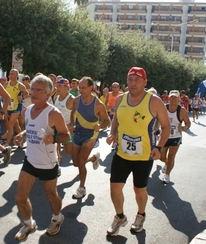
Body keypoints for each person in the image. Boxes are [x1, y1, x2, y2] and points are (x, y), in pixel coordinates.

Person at [105, 66, 170, 235]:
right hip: (122, 154)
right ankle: (120, 216)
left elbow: (166, 126)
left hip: (144, 156)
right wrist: (112, 134)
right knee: (114, 189)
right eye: (130, 79)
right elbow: (116, 121)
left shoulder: (154, 101)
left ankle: (140, 215)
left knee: (139, 189)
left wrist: (159, 147)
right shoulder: (120, 99)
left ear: (145, 82)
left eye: (137, 80)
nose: (133, 83)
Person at [13, 74, 70, 242]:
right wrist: (22, 135)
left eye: (38, 90)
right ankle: (29, 223)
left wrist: (54, 138)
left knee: (51, 195)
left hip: (48, 163)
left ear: (48, 93)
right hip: (30, 160)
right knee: (20, 197)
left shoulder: (53, 114)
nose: (33, 93)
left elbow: (67, 137)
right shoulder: (29, 109)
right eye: (32, 89)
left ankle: (57, 217)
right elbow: (32, 128)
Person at [70, 76, 110, 199]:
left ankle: (81, 188)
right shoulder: (76, 100)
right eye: (79, 88)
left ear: (90, 88)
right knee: (76, 163)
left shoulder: (98, 104)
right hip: (78, 134)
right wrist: (72, 124)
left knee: (81, 162)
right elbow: (73, 113)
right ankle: (93, 158)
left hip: (91, 136)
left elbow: (107, 121)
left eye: (83, 88)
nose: (81, 90)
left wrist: (100, 126)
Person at [160, 90, 191, 184]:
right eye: (171, 97)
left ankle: (167, 175)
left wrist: (186, 127)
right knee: (161, 157)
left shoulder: (181, 110)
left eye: (175, 98)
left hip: (176, 137)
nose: (173, 99)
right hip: (164, 136)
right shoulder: (163, 108)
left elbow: (188, 122)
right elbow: (157, 119)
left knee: (171, 156)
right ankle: (166, 163)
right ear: (168, 98)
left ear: (179, 99)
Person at [3, 69, 28, 147]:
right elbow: (2, 92)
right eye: (10, 73)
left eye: (13, 74)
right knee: (15, 125)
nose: (10, 75)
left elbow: (27, 93)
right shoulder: (6, 84)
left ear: (17, 76)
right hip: (7, 107)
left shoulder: (20, 85)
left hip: (16, 107)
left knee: (10, 125)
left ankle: (7, 144)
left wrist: (22, 97)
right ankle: (21, 139)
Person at [54, 78, 74, 162]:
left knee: (69, 151)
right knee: (54, 145)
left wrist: (72, 125)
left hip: (67, 129)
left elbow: (78, 115)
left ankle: (91, 158)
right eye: (57, 86)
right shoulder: (56, 97)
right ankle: (57, 161)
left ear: (66, 87)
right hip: (56, 127)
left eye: (59, 86)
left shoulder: (71, 99)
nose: (57, 88)